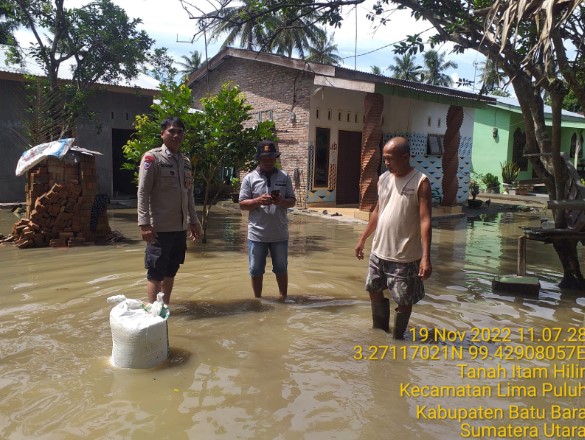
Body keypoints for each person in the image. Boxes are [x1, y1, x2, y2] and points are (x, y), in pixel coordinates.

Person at [354, 137, 432, 339]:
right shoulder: (384, 179)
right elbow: (377, 211)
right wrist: (363, 238)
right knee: (373, 289)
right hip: (379, 250)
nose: (386, 163)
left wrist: (425, 257)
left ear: (405, 157)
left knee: (404, 300)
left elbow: (425, 220)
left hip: (405, 255)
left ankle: (398, 338)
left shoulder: (420, 182)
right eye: (384, 159)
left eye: (390, 159)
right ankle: (380, 332)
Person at [137, 116, 202, 305]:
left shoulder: (185, 161)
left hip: (179, 227)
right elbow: (143, 192)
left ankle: (164, 308)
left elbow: (188, 194)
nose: (176, 135)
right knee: (155, 272)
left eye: (179, 132)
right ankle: (151, 313)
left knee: (171, 269)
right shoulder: (152, 158)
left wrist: (193, 221)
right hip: (159, 228)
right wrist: (144, 223)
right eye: (171, 131)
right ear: (162, 134)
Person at [239, 141, 296, 300]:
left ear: (275, 158)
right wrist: (258, 201)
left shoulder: (284, 177)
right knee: (255, 270)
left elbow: (292, 201)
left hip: (280, 234)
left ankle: (283, 298)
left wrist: (281, 202)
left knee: (281, 268)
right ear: (259, 159)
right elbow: (242, 204)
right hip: (257, 235)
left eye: (271, 157)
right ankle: (258, 301)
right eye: (265, 158)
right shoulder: (249, 178)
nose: (269, 160)